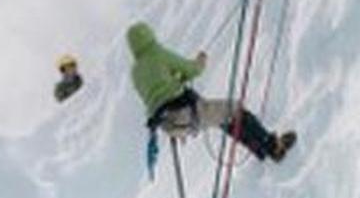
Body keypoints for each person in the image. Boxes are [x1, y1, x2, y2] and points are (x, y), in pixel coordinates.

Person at [125, 22, 296, 164]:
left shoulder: (135, 72)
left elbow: (156, 95)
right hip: (184, 112)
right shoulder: (157, 53)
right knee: (234, 110)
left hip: (168, 125)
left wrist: (175, 80)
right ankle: (273, 147)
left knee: (223, 119)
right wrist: (200, 61)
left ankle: (260, 150)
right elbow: (192, 70)